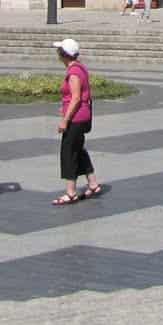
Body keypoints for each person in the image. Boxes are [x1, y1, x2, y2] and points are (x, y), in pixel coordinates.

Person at [51, 37, 101, 205]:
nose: (57, 54)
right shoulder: (81, 68)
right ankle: (93, 183)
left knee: (69, 151)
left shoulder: (73, 72)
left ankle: (70, 192)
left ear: (64, 54)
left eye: (59, 51)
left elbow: (76, 97)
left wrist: (65, 119)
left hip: (76, 118)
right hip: (83, 115)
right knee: (78, 149)